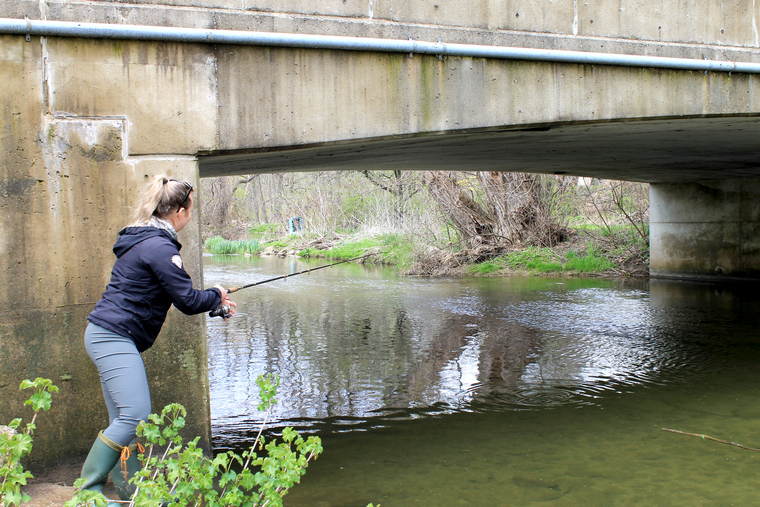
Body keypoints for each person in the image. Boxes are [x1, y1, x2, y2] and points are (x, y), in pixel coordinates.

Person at [76, 175, 236, 505]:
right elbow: (187, 301)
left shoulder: (143, 239)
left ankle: (134, 493)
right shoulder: (161, 247)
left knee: (123, 420)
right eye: (190, 210)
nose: (190, 217)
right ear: (179, 212)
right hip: (113, 338)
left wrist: (214, 303)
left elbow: (178, 296)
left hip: (107, 335)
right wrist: (216, 294)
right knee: (134, 415)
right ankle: (87, 492)